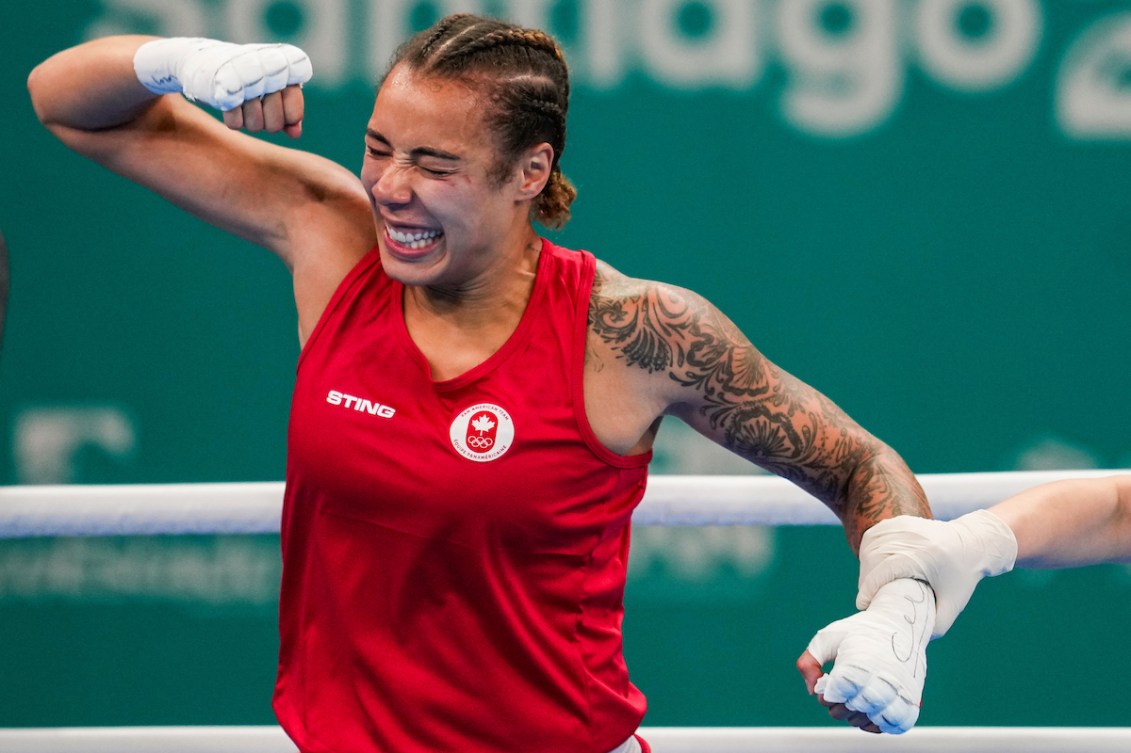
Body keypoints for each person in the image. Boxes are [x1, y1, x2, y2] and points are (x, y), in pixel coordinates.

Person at [29, 15, 955, 752]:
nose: (391, 186)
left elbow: (860, 466)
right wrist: (176, 60)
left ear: (529, 172)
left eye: (434, 165)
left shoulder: (635, 332)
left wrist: (899, 610)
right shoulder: (329, 237)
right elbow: (66, 103)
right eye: (379, 146)